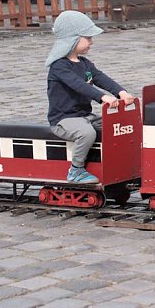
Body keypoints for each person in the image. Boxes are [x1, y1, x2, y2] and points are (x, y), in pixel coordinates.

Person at [45, 11, 135, 184]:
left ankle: (114, 162)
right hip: (64, 119)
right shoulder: (59, 67)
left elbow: (101, 78)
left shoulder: (85, 63)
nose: (91, 42)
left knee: (115, 124)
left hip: (85, 116)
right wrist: (102, 98)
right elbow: (80, 86)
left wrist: (121, 92)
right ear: (73, 39)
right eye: (88, 38)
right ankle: (76, 170)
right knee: (86, 133)